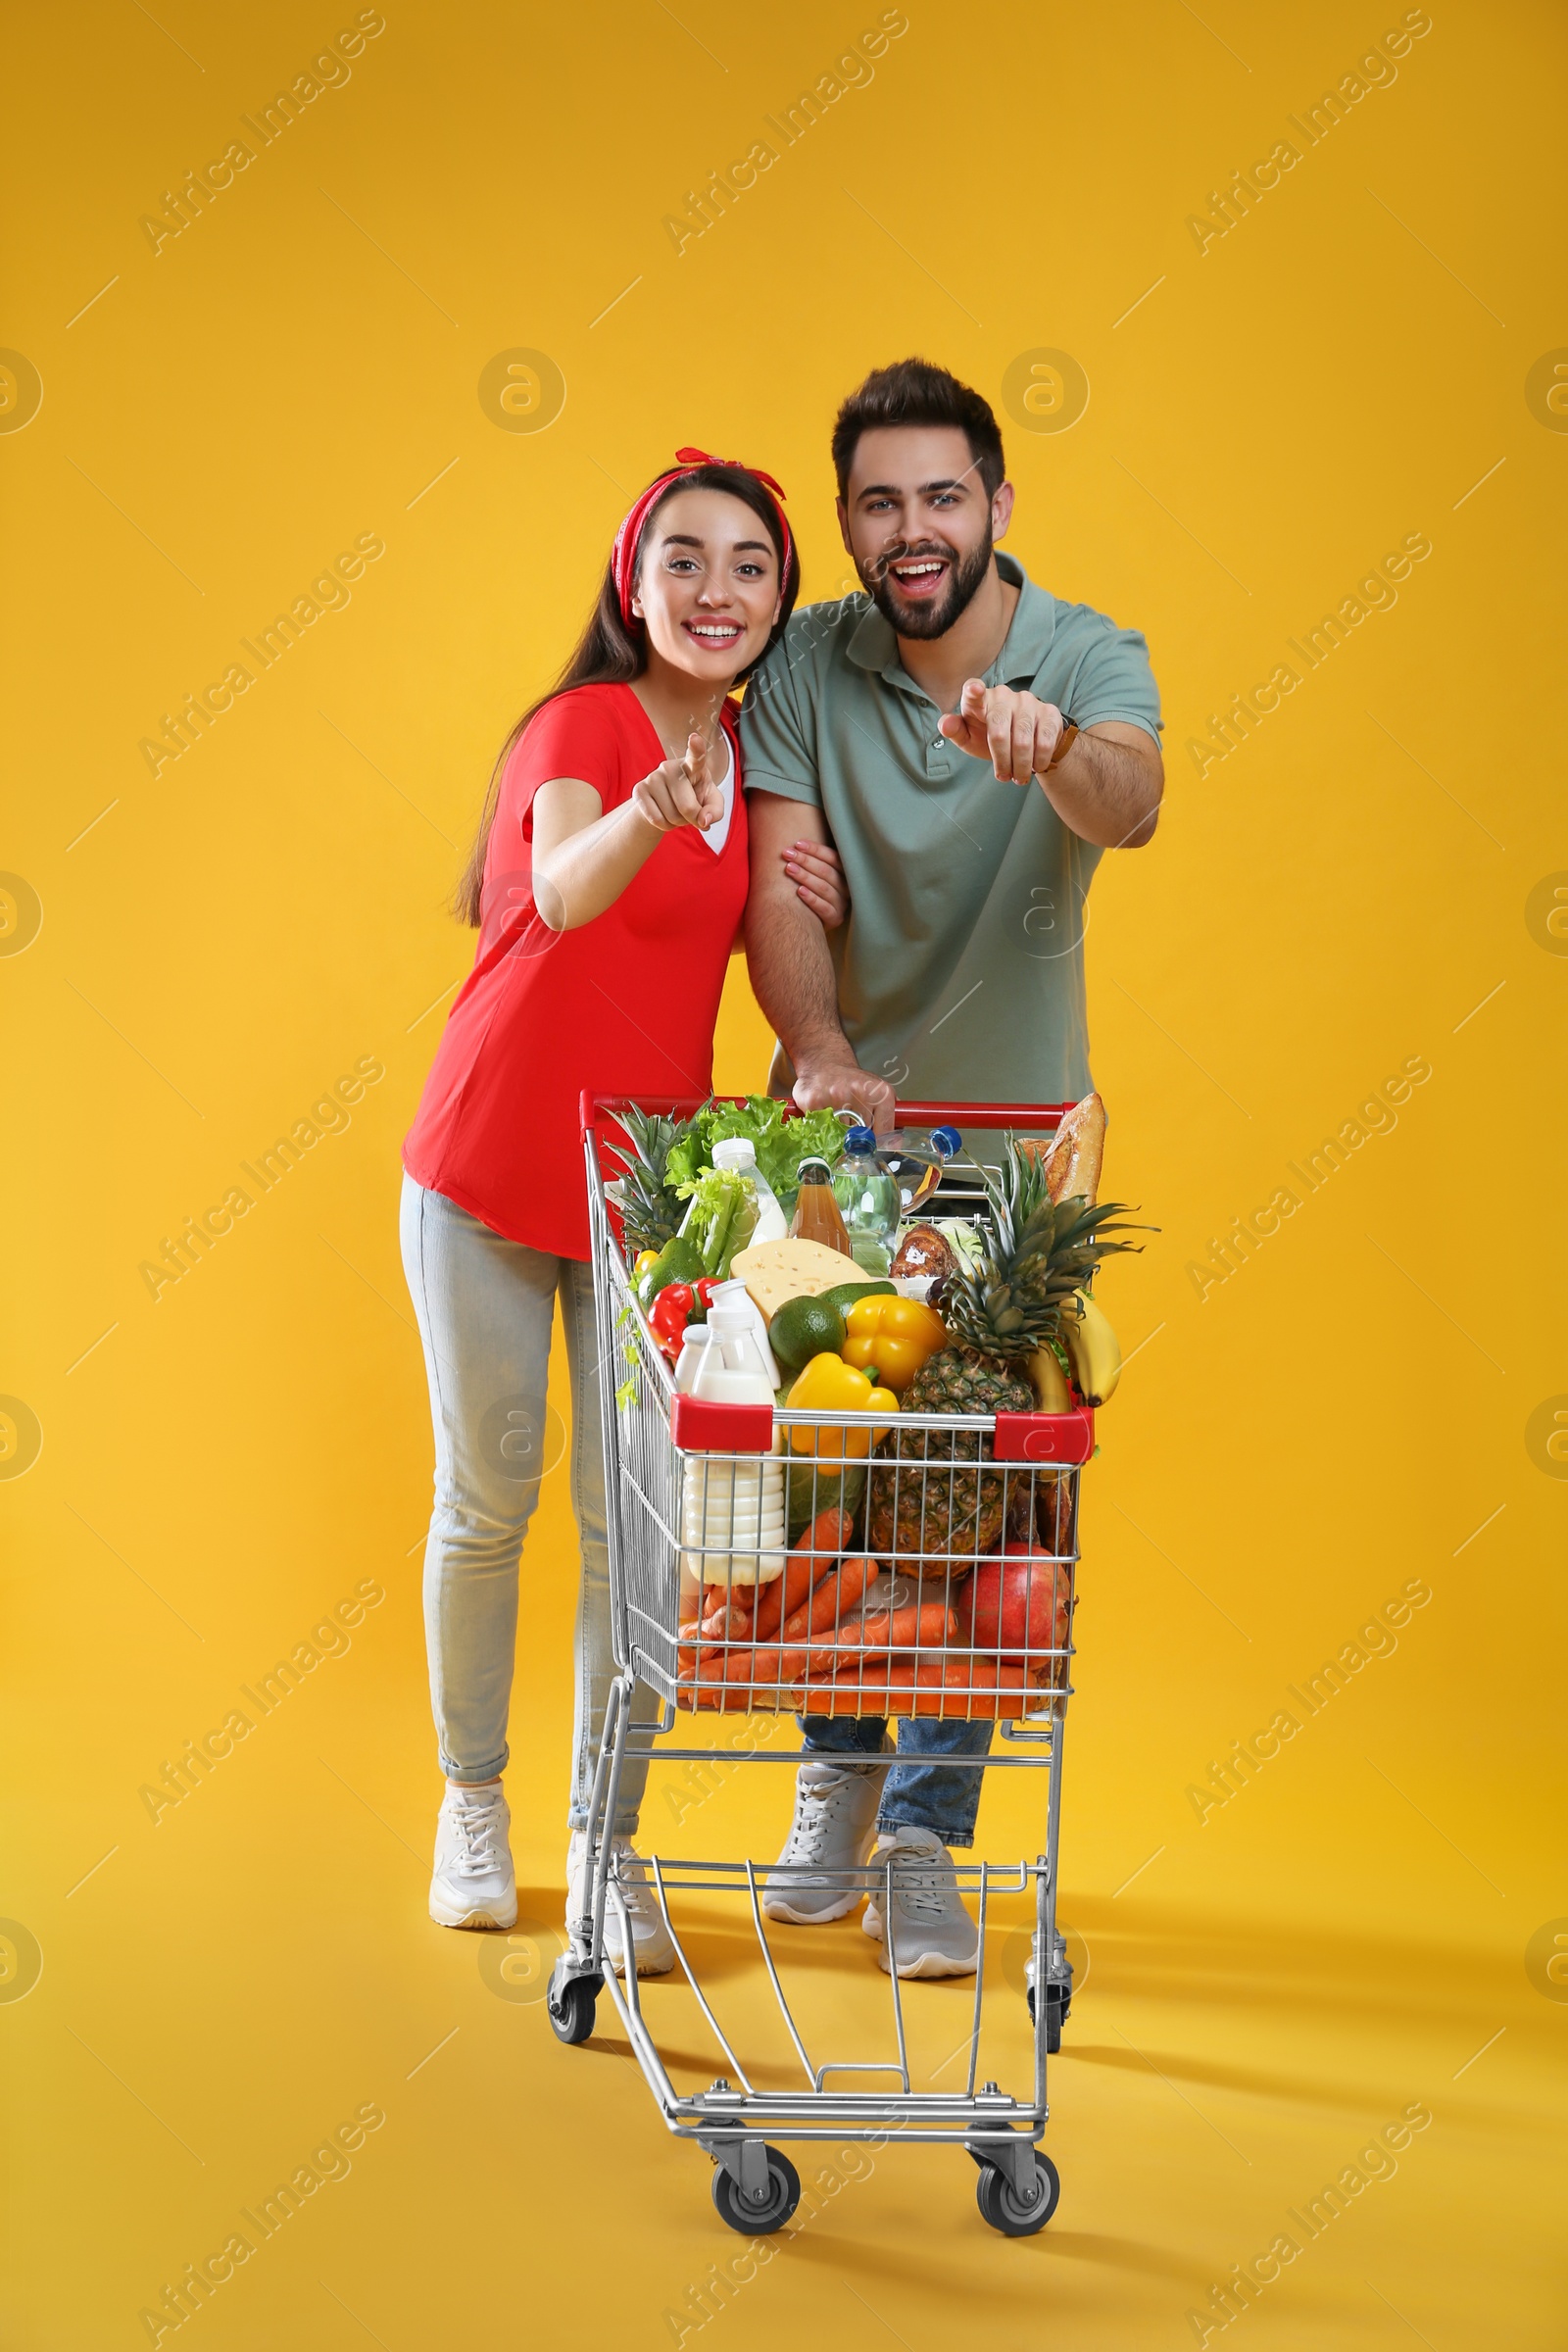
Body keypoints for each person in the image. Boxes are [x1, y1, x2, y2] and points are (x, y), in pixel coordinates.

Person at [741, 359, 1164, 1978]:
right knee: (833, 1467)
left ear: (997, 504)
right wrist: (825, 1051)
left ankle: (927, 1828)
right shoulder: (809, 661)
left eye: (939, 496)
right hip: (847, 1140)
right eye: (876, 502)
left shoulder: (1080, 652)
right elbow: (785, 884)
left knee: (981, 1503)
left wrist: (1053, 749)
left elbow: (1129, 804)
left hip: (1009, 1152)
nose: (908, 531)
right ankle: (840, 1782)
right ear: (847, 521)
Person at [400, 450, 846, 1970]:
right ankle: (473, 1805)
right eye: (686, 561)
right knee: (489, 1502)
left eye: (750, 568)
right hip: (478, 1179)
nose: (716, 592)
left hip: (630, 1199)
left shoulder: (756, 765)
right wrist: (655, 808)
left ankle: (609, 1840)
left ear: (779, 603)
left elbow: (744, 964)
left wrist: (812, 1004)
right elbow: (566, 889)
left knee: (639, 1536)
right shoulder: (579, 726)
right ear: (630, 582)